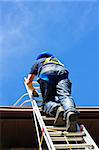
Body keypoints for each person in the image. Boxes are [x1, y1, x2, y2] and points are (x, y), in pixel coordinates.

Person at [25, 52, 79, 132]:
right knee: (65, 95)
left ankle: (57, 109)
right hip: (62, 73)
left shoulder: (38, 62)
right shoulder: (56, 61)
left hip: (46, 75)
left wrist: (33, 91)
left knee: (47, 101)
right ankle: (70, 112)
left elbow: (29, 81)